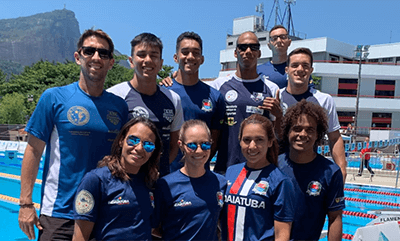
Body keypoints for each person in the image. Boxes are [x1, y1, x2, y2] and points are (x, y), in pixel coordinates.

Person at [18, 29, 129, 240]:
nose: (96, 57)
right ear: (78, 57)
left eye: (103, 53)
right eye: (89, 51)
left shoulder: (119, 107)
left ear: (111, 62)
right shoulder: (53, 98)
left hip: (104, 213)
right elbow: (33, 151)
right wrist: (25, 203)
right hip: (60, 214)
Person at [72, 117, 162, 241]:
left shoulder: (151, 182)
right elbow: (80, 237)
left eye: (148, 145)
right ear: (121, 141)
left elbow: (150, 228)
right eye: (133, 140)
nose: (139, 148)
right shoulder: (96, 180)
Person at [108, 33, 184, 177]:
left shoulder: (173, 99)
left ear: (161, 63)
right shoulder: (115, 96)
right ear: (131, 61)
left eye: (153, 55)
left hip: (159, 181)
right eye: (141, 55)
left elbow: (174, 146)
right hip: (123, 180)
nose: (148, 60)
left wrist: (159, 168)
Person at [210, 31, 282, 174]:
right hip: (225, 169)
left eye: (253, 47)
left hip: (260, 172)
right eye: (243, 47)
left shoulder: (272, 89)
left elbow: (277, 135)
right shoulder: (218, 86)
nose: (248, 51)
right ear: (235, 53)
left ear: (259, 53)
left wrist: (279, 116)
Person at [278, 99, 345, 241]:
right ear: (287, 131)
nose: (302, 134)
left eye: (310, 130)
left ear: (318, 135)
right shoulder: (274, 166)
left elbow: (335, 218)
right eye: (297, 128)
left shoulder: (331, 172)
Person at [222, 114, 295, 241]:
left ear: (270, 142)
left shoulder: (280, 181)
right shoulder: (231, 172)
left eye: (259, 140)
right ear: (239, 140)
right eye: (247, 140)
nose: (252, 146)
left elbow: (282, 234)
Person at [160, 32, 225, 172]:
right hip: (167, 176)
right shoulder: (163, 92)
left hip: (200, 175)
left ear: (202, 59)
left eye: (195, 53)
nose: (190, 57)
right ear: (176, 58)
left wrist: (199, 163)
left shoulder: (215, 96)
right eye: (185, 52)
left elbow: (214, 141)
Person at [280, 47, 347, 180]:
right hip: (279, 170)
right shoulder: (276, 96)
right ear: (287, 69)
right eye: (294, 65)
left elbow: (334, 138)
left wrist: (342, 170)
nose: (300, 69)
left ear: (311, 70)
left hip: (310, 171)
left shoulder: (324, 100)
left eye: (305, 66)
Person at [153, 119, 227, 240]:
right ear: (181, 145)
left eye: (205, 144)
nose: (199, 150)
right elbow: (155, 227)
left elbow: (219, 223)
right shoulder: (165, 184)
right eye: (192, 145)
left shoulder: (221, 183)